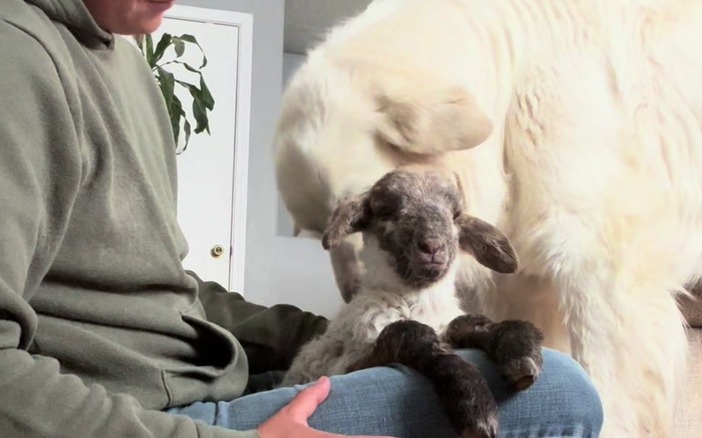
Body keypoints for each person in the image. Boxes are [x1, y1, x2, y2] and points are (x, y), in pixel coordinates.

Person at [0, 0, 604, 437]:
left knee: (509, 362)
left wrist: (336, 332)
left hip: (217, 382)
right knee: (560, 394)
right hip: (153, 416)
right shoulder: (17, 57)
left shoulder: (128, 64)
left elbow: (169, 290)